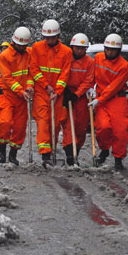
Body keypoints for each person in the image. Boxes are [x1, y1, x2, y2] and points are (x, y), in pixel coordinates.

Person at [30, 19, 72, 168]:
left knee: (54, 125)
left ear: (57, 36)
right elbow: (34, 69)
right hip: (42, 92)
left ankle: (51, 149)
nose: (49, 40)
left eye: (52, 37)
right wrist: (45, 85)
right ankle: (45, 154)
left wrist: (57, 91)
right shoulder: (36, 47)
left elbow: (65, 74)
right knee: (42, 121)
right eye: (46, 37)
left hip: (57, 94)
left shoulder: (66, 52)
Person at [88, 33, 128, 170]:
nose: (110, 52)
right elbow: (92, 75)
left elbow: (114, 87)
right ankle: (104, 149)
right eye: (107, 49)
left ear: (118, 50)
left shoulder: (124, 66)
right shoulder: (98, 58)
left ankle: (118, 158)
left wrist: (98, 100)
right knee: (103, 127)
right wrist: (90, 86)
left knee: (120, 131)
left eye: (113, 50)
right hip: (101, 98)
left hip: (117, 99)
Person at [0, 27, 33, 165]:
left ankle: (13, 154)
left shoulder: (29, 53)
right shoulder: (4, 56)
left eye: (25, 45)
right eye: (20, 45)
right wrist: (20, 91)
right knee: (5, 122)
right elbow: (7, 78)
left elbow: (31, 73)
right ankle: (1, 149)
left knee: (19, 127)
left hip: (22, 97)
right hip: (7, 95)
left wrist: (29, 86)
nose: (22, 48)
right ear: (14, 42)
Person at [61, 33, 95, 165]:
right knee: (69, 124)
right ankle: (70, 154)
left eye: (82, 48)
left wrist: (77, 94)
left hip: (80, 97)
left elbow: (88, 80)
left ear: (86, 49)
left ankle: (77, 151)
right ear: (72, 47)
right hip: (66, 93)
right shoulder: (66, 58)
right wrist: (64, 90)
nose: (79, 50)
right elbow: (61, 74)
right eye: (76, 48)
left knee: (81, 127)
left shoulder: (90, 62)